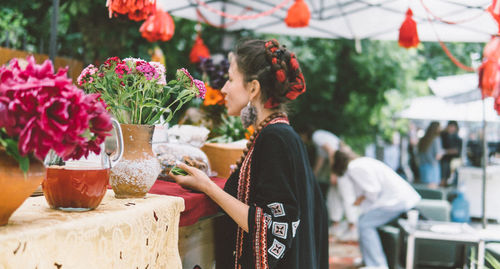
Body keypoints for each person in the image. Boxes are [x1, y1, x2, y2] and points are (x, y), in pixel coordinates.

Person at [169, 39, 328, 269]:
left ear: (253, 88)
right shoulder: (278, 134)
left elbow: (275, 228)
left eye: (231, 79)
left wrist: (208, 187)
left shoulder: (275, 138)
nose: (223, 89)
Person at [332, 150, 421, 269]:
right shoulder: (361, 162)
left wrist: (361, 198)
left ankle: (377, 264)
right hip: (398, 199)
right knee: (363, 220)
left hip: (395, 202)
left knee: (365, 224)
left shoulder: (354, 167)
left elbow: (373, 190)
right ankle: (368, 261)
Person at [311, 129, 358, 240]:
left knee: (346, 196)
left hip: (341, 166)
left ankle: (353, 228)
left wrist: (334, 173)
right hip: (339, 165)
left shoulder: (316, 136)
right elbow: (320, 159)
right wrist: (313, 176)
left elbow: (331, 151)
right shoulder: (319, 137)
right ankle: (336, 226)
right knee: (333, 196)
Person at [417, 121, 444, 189]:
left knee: (424, 190)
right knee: (432, 191)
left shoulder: (423, 139)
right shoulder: (436, 139)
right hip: (432, 166)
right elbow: (438, 155)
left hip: (423, 166)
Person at [440, 121, 462, 186]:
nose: (450, 128)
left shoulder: (457, 138)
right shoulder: (443, 136)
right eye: (449, 126)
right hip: (443, 160)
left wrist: (446, 151)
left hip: (453, 160)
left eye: (452, 127)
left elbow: (457, 151)